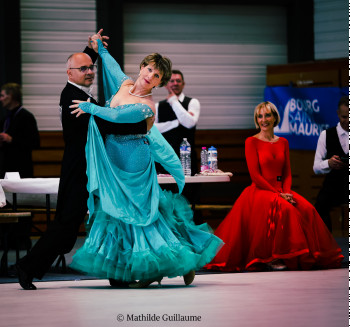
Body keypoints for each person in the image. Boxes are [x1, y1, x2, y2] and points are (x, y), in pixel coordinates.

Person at [69, 37, 223, 288]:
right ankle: (158, 265)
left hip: (134, 162)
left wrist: (91, 108)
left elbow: (117, 116)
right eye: (149, 68)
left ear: (161, 83)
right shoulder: (124, 85)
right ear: (142, 67)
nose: (150, 75)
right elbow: (111, 66)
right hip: (113, 158)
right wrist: (101, 47)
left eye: (157, 75)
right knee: (118, 212)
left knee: (140, 214)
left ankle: (156, 268)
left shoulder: (147, 106)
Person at [15, 30, 148, 290]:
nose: (90, 71)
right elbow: (106, 125)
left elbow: (82, 67)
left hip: (90, 169)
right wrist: (143, 126)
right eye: (84, 69)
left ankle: (117, 275)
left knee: (109, 219)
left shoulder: (78, 93)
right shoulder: (74, 99)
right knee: (66, 226)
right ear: (69, 73)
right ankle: (27, 266)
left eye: (92, 68)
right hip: (81, 171)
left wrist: (91, 49)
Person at [205, 101, 343, 272]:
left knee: (307, 209)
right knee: (286, 210)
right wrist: (277, 194)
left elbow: (287, 173)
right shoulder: (251, 142)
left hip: (282, 190)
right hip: (261, 190)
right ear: (257, 119)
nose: (264, 120)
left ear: (275, 117)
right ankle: (273, 256)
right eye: (260, 116)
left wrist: (285, 192)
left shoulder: (283, 142)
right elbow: (255, 176)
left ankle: (305, 255)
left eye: (267, 115)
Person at [313, 96, 349, 232]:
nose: (348, 121)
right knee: (319, 208)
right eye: (345, 117)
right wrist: (328, 163)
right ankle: (326, 244)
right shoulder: (325, 135)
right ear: (338, 114)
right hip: (334, 184)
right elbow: (316, 167)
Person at [155, 70, 200, 175]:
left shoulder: (193, 102)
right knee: (167, 191)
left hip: (187, 159)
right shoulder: (158, 106)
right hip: (165, 159)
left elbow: (189, 123)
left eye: (178, 81)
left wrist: (174, 101)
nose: (175, 83)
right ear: (166, 85)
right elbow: (153, 129)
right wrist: (176, 122)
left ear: (183, 84)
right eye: (172, 81)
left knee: (189, 191)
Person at [0, 83, 40, 178]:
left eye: (2, 96)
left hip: (22, 169)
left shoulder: (26, 117)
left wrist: (11, 140)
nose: (1, 99)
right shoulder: (6, 118)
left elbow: (35, 143)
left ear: (11, 96)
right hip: (6, 168)